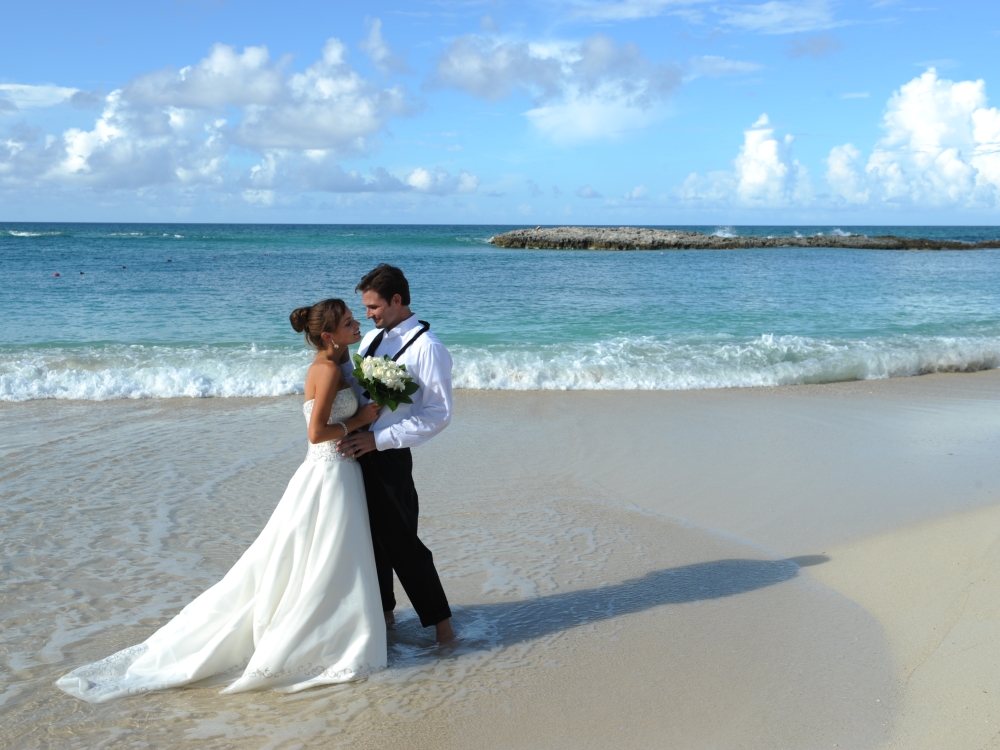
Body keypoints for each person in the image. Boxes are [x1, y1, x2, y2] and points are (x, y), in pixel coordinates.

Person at [56, 300, 387, 702]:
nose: (357, 325)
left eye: (356, 319)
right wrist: (360, 420)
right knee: (323, 558)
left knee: (325, 559)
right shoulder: (328, 369)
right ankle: (329, 637)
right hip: (328, 472)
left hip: (339, 471)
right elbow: (316, 433)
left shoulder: (338, 362)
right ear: (328, 335)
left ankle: (336, 629)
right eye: (349, 322)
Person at [336, 265, 456, 643]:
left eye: (373, 307)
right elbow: (357, 387)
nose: (368, 315)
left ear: (397, 300)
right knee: (371, 541)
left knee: (404, 544)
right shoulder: (372, 339)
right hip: (358, 451)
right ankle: (385, 618)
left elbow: (438, 415)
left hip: (390, 456)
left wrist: (379, 440)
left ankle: (444, 630)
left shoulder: (428, 347)